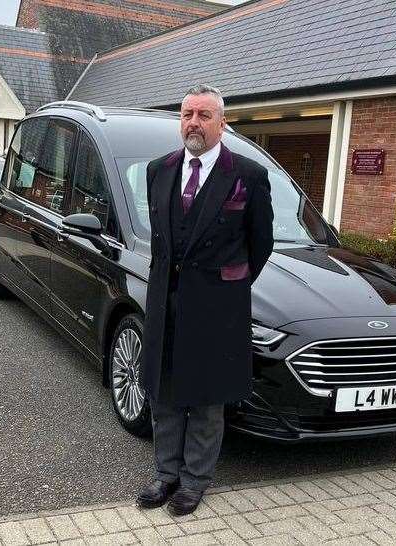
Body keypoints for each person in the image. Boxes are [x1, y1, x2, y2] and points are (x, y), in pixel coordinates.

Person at [136, 84, 274, 515]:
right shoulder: (159, 170)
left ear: (222, 123)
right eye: (186, 114)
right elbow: (162, 241)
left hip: (216, 307)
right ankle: (166, 475)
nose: (193, 122)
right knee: (165, 394)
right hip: (167, 302)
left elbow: (261, 244)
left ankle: (195, 482)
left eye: (203, 115)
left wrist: (227, 286)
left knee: (207, 400)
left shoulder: (248, 175)